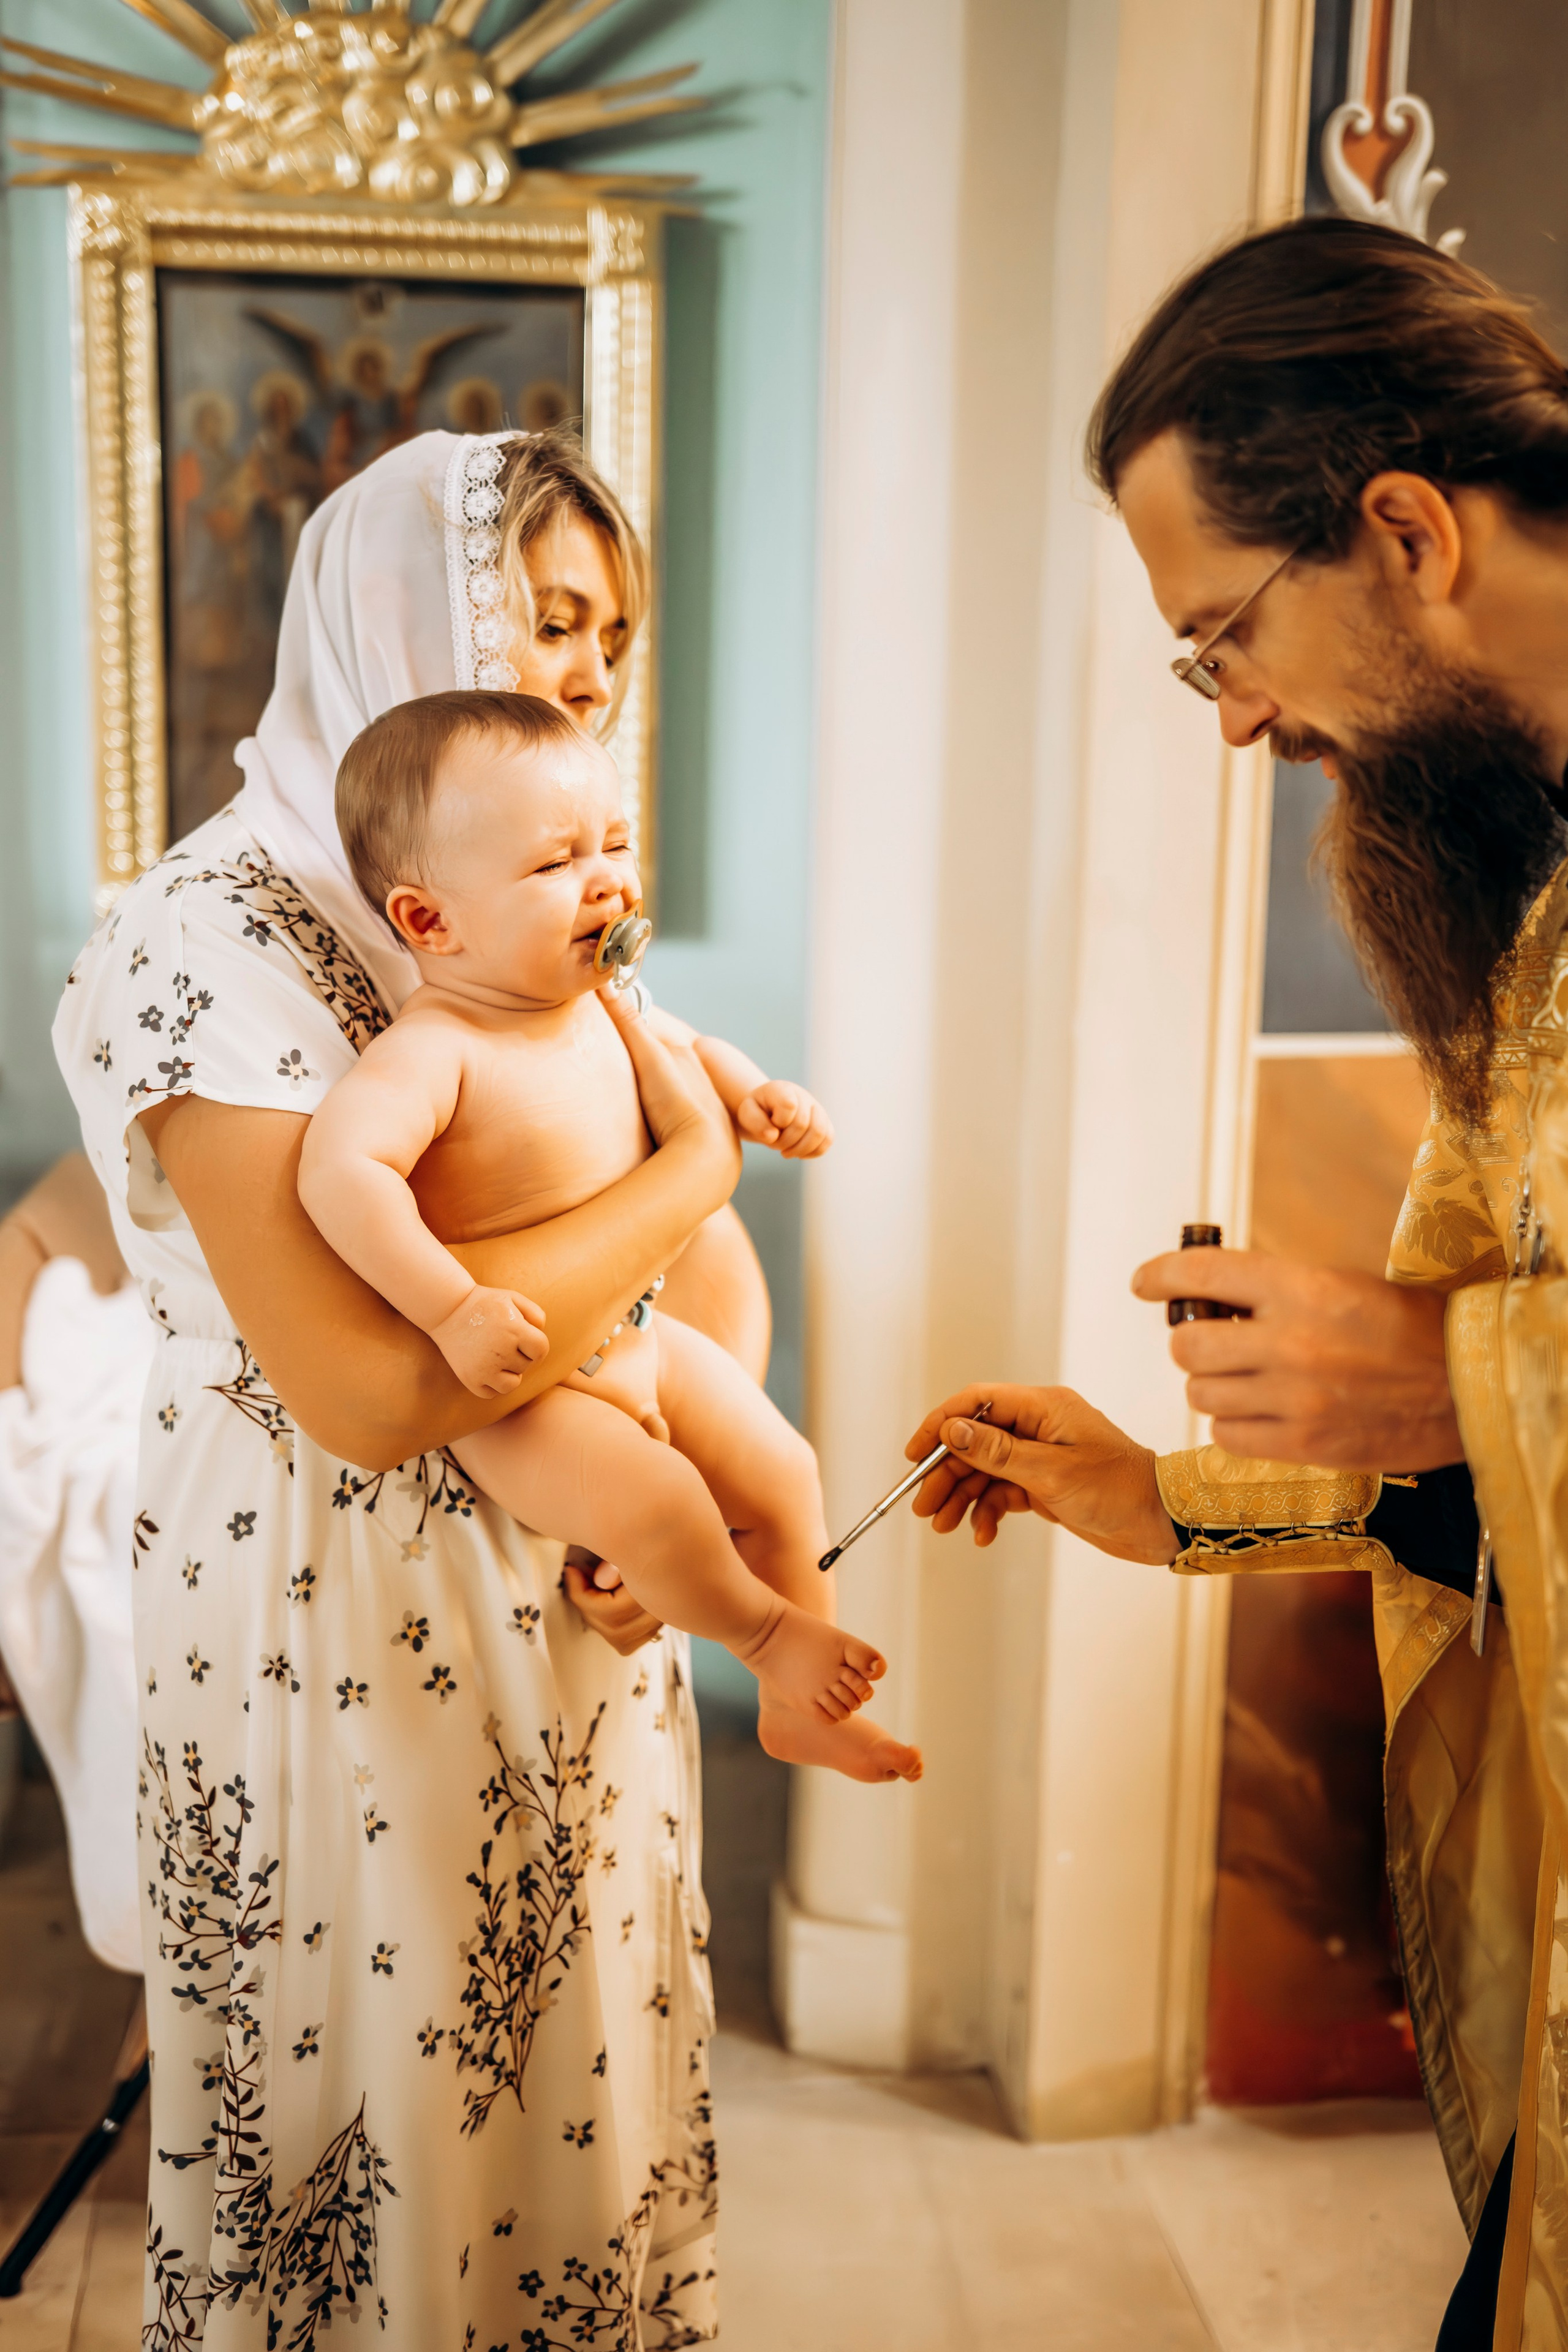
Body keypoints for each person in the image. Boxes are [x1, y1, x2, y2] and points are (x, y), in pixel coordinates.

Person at [908, 218, 1568, 2350]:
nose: (1233, 720)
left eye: (1222, 643)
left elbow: (1486, 1381)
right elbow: (1486, 1448)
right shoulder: (1530, 880)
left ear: (1399, 530)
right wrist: (1169, 1496)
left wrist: (1461, 1367)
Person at [53, 426, 745, 2348]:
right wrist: (688, 1173)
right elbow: (362, 1391)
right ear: (408, 615)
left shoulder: (551, 884)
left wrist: (658, 1488)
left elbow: (718, 1282)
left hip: (575, 1583)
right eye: (550, 615)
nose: (594, 665)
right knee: (372, 2105)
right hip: (323, 1607)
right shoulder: (205, 937)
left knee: (565, 2106)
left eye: (615, 626)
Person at [300, 688, 920, 1783]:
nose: (609, 880)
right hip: (526, 1395)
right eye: (555, 864)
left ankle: (796, 1710)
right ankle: (769, 1640)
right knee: (667, 1502)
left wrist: (757, 1094)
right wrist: (450, 1308)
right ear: (429, 922)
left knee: (783, 1465)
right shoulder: (438, 1048)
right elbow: (341, 1173)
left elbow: (695, 1054)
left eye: (617, 845)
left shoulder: (605, 1003)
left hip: (638, 1337)